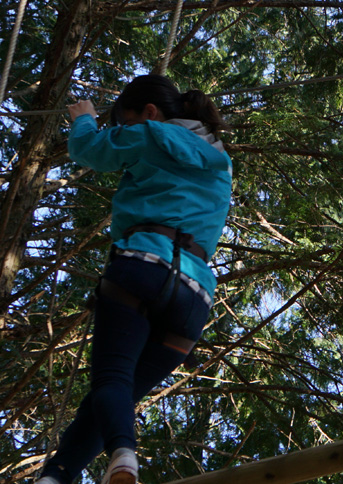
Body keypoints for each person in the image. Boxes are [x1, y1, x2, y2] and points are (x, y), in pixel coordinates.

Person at [36, 75, 233, 484]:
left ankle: (124, 456)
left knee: (112, 380)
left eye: (123, 124)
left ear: (148, 112)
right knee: (115, 398)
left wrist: (86, 119)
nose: (123, 133)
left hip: (143, 265)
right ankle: (56, 476)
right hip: (194, 296)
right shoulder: (220, 159)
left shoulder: (150, 133)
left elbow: (87, 150)